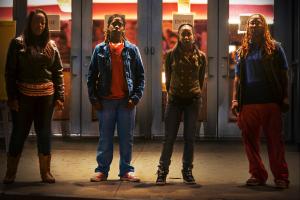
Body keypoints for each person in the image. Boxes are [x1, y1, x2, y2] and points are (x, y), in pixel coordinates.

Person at [3, 9, 64, 184]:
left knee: (44, 133)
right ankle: (10, 172)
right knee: (19, 133)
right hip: (23, 97)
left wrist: (60, 96)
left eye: (43, 23)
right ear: (30, 23)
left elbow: (57, 72)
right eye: (37, 22)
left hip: (46, 98)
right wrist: (12, 97)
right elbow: (10, 73)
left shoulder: (51, 45)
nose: (40, 25)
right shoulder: (18, 44)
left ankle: (46, 173)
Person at [231, 14, 290, 189]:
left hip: (270, 100)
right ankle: (257, 174)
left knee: (275, 141)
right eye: (251, 23)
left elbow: (284, 74)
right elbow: (238, 79)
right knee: (249, 141)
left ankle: (281, 177)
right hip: (248, 101)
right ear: (247, 27)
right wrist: (235, 100)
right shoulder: (242, 51)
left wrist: (285, 96)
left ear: (264, 26)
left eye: (258, 22)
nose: (254, 24)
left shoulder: (276, 48)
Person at [87, 14, 144, 182]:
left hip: (126, 102)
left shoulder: (132, 50)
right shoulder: (100, 50)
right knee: (105, 138)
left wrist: (135, 98)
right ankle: (102, 171)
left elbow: (141, 76)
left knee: (127, 138)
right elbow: (91, 76)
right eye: (114, 24)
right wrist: (94, 99)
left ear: (124, 28)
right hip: (106, 102)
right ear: (108, 28)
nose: (117, 27)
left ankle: (126, 171)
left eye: (120, 24)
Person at [156, 24, 206, 185]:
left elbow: (200, 79)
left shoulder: (201, 57)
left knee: (190, 138)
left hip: (193, 101)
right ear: (178, 36)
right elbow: (168, 80)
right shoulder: (170, 56)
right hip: (175, 100)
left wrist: (195, 92)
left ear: (194, 36)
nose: (186, 37)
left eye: (188, 34)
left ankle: (187, 171)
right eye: (183, 34)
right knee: (169, 138)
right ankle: (162, 171)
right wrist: (171, 94)